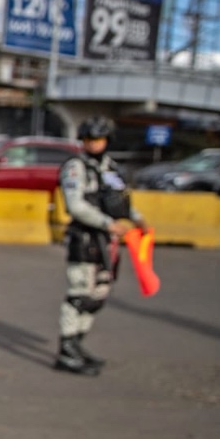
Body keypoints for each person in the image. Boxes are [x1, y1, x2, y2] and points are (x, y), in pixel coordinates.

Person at [55, 117, 146, 375]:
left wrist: (137, 219)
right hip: (85, 238)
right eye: (89, 140)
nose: (93, 144)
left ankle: (78, 342)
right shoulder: (75, 168)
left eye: (98, 139)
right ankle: (67, 348)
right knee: (79, 293)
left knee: (99, 293)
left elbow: (120, 201)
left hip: (107, 242)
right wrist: (107, 223)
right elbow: (75, 205)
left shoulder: (111, 168)